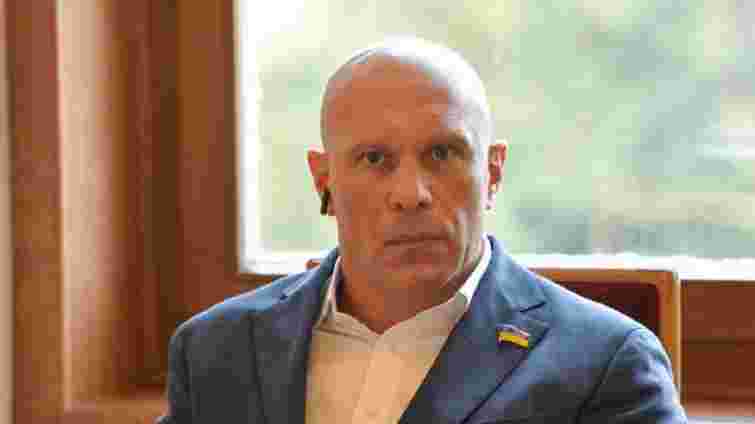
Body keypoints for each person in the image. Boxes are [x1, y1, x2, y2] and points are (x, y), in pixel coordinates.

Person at [158, 38, 687, 423]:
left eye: (442, 153)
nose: (411, 194)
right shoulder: (218, 350)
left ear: (492, 173)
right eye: (374, 158)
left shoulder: (604, 364)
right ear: (324, 180)